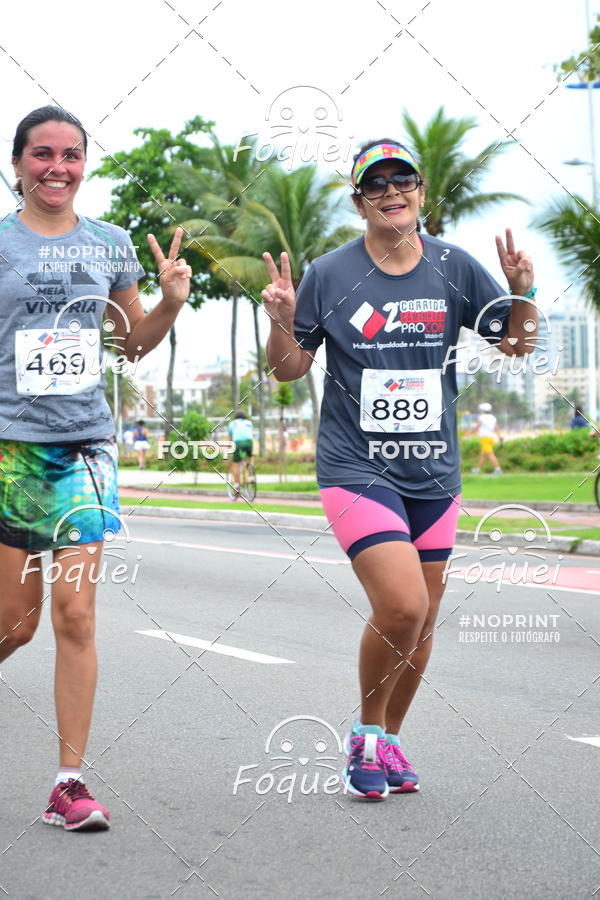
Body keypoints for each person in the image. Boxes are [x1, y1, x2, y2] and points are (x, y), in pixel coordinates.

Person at [262, 138, 537, 799]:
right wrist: (280, 322)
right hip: (357, 467)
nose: (392, 192)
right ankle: (364, 729)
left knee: (423, 621)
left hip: (435, 470)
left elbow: (518, 346)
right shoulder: (330, 273)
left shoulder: (454, 267)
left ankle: (387, 739)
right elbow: (288, 369)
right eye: (376, 185)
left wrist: (524, 292)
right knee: (401, 604)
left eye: (403, 181)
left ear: (420, 191)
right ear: (359, 200)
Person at [0, 106, 191, 830]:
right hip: (10, 449)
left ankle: (68, 784)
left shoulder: (111, 245)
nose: (58, 167)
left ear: (85, 164)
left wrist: (170, 304)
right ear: (17, 163)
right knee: (14, 627)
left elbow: (132, 343)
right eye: (42, 154)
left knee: (74, 615)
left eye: (71, 155)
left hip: (84, 446)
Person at [469, 402, 503, 474]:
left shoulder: (482, 417)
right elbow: (496, 428)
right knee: (484, 455)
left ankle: (498, 469)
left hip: (484, 438)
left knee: (490, 454)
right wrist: (499, 437)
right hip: (491, 438)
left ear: (483, 410)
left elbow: (476, 427)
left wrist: (469, 433)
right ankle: (477, 469)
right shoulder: (493, 417)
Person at [227, 409, 254, 497]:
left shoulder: (232, 424)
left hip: (238, 443)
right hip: (249, 442)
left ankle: (237, 487)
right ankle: (250, 475)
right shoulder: (249, 423)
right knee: (248, 460)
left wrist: (229, 451)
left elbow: (230, 440)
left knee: (235, 464)